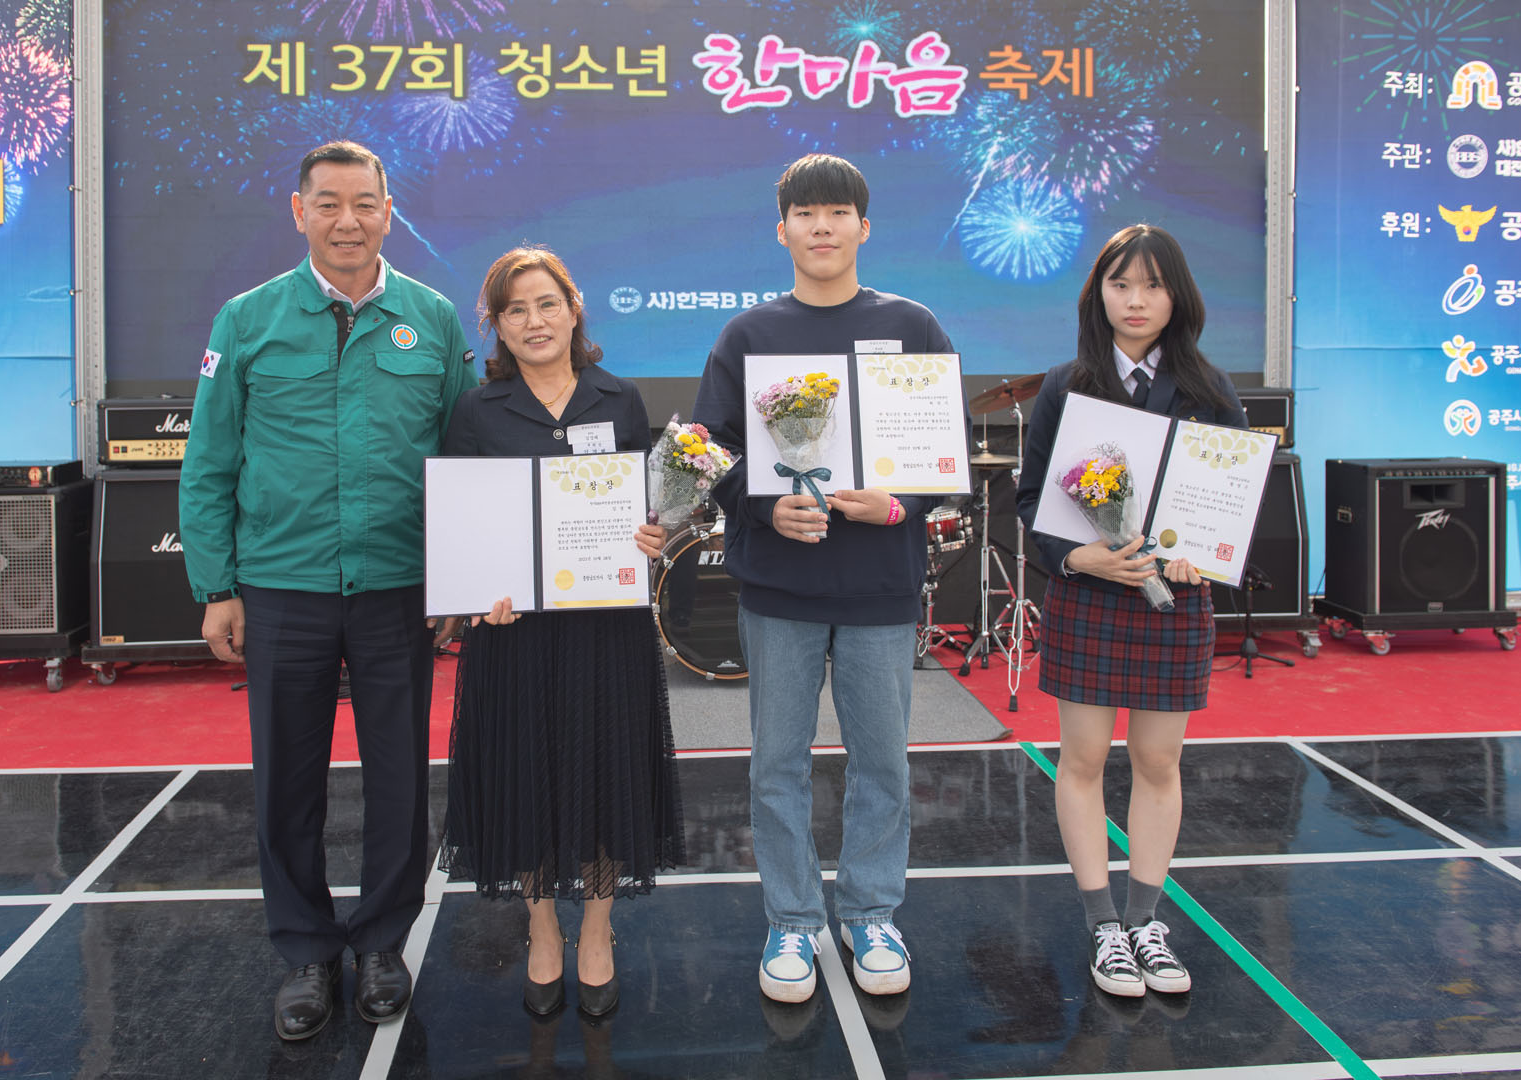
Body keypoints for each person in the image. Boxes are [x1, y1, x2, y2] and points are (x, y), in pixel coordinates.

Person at [179, 141, 476, 1041]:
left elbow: (464, 461)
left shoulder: (432, 318)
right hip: (282, 587)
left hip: (397, 589)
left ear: (389, 211)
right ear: (299, 210)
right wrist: (217, 585)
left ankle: (383, 943)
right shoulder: (248, 319)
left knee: (399, 778)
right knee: (286, 780)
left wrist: (460, 573)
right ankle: (306, 949)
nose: (348, 221)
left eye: (365, 204)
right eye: (329, 203)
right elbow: (210, 460)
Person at [692, 153, 960, 1002]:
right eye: (805, 213)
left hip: (880, 586)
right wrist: (763, 507)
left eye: (837, 213)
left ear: (863, 228)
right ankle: (792, 920)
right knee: (777, 764)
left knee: (883, 762)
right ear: (782, 230)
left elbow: (942, 451)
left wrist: (900, 504)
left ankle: (872, 913)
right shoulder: (748, 335)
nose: (821, 227)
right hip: (780, 590)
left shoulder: (912, 325)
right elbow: (707, 449)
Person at [439, 245, 685, 1019]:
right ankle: (543, 927)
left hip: (605, 633)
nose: (534, 321)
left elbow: (645, 509)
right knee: (527, 776)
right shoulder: (477, 411)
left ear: (574, 309)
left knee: (605, 773)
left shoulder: (620, 398)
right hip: (514, 637)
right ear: (497, 326)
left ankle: (598, 930)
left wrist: (653, 534)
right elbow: (462, 522)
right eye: (514, 310)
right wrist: (476, 588)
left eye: (547, 303)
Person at [1014, 224, 1246, 999]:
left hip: (1173, 603)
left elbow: (1227, 503)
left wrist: (1199, 553)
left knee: (1158, 762)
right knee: (1081, 761)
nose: (1136, 300)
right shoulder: (1065, 386)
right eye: (1121, 284)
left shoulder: (1211, 390)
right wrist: (1083, 558)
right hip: (1088, 597)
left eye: (1152, 285)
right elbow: (1032, 500)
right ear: (1099, 295)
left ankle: (1147, 920)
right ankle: (1103, 928)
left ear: (1177, 297)